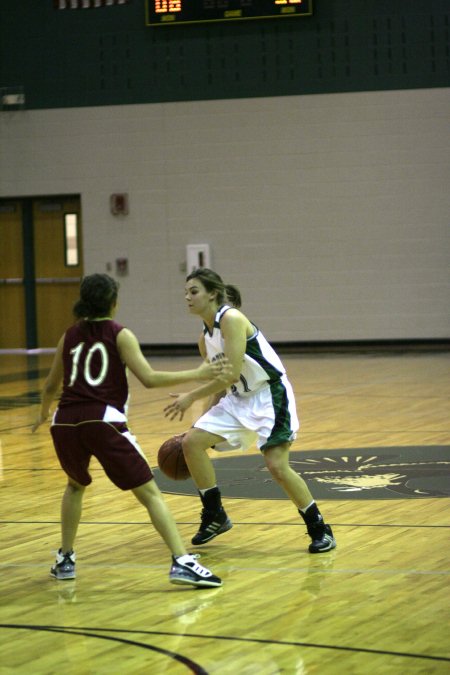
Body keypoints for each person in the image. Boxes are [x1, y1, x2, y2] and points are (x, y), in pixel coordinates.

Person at [32, 273, 227, 588]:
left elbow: (52, 384)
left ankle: (65, 558)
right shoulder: (119, 334)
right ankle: (181, 561)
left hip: (64, 422)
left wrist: (43, 414)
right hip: (103, 420)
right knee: (150, 494)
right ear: (113, 302)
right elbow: (149, 378)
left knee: (74, 487)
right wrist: (200, 372)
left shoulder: (67, 336)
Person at [164, 268, 336, 554]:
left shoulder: (231, 319)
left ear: (213, 294)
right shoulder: (203, 338)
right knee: (191, 442)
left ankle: (319, 528)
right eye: (185, 293)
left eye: (193, 291)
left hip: (269, 395)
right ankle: (215, 514)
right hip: (237, 399)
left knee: (277, 467)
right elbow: (222, 386)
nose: (187, 297)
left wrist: (189, 397)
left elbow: (229, 374)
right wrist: (203, 422)